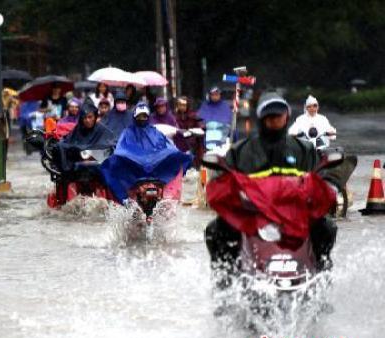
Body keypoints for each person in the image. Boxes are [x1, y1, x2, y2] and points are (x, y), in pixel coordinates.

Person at [204, 93, 337, 286]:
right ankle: (224, 278)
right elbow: (224, 178)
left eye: (279, 115)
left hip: (295, 213)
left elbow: (320, 177)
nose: (274, 120)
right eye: (270, 116)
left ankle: (322, 270)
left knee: (327, 227)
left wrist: (323, 189)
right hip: (253, 213)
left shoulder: (303, 149)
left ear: (287, 116)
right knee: (215, 230)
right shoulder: (241, 150)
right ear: (261, 118)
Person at [101, 102, 192, 203]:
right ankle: (124, 198)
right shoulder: (128, 132)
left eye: (144, 116)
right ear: (135, 117)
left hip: (155, 166)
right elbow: (121, 149)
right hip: (134, 167)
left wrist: (170, 154)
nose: (142, 119)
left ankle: (167, 197)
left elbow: (167, 146)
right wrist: (131, 157)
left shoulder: (155, 131)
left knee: (177, 158)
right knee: (110, 165)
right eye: (140, 116)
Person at [54, 101, 117, 173]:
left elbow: (109, 145)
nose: (87, 120)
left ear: (95, 117)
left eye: (90, 117)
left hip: (95, 157)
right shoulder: (78, 128)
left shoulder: (101, 129)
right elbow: (68, 142)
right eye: (85, 118)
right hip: (79, 155)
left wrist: (88, 152)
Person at [174, 96, 204, 167]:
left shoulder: (193, 115)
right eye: (180, 105)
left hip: (193, 144)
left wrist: (196, 131)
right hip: (179, 143)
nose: (182, 107)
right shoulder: (174, 116)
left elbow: (201, 127)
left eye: (184, 105)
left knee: (201, 168)